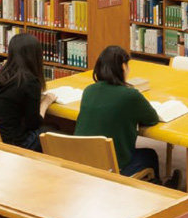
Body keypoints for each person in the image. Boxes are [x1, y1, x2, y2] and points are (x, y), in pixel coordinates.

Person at [73, 46, 181, 186]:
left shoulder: (89, 90)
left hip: (80, 162)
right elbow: (152, 118)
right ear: (123, 67)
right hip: (112, 167)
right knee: (150, 155)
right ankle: (159, 191)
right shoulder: (130, 95)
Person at [0, 33, 57, 151]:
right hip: (11, 144)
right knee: (53, 131)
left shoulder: (3, 76)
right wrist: (46, 102)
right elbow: (34, 124)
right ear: (36, 56)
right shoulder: (30, 81)